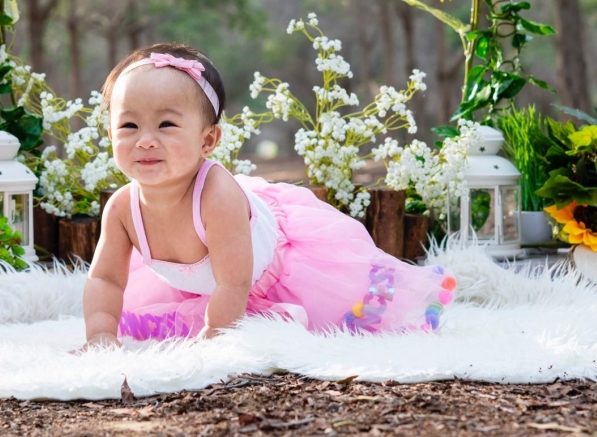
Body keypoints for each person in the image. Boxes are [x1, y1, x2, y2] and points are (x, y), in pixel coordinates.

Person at [80, 43, 456, 349]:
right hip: (203, 284)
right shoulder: (122, 208)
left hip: (270, 271)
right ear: (111, 134)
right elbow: (106, 281)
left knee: (334, 319)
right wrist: (100, 335)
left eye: (166, 124)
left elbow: (233, 283)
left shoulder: (216, 196)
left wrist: (215, 338)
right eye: (128, 125)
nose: (145, 139)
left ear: (208, 139)